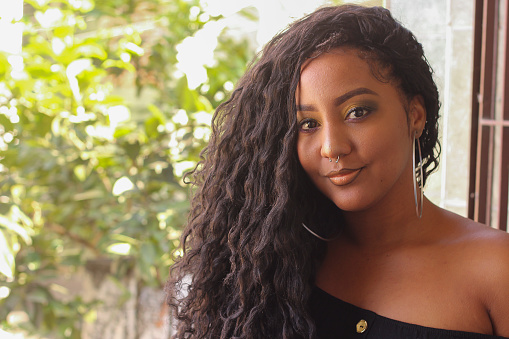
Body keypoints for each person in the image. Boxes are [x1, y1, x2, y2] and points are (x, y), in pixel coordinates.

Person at [166, 4, 509, 338]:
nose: (332, 147)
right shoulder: (275, 262)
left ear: (415, 115)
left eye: (357, 112)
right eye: (308, 123)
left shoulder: (496, 268)